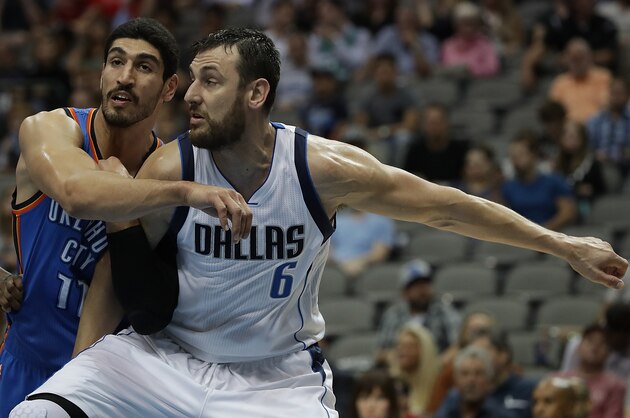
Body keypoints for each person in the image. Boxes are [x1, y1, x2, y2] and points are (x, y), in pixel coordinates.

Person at [12, 27, 627, 418]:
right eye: (191, 80)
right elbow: (112, 280)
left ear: (255, 95)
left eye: (209, 81)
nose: (190, 96)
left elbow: (445, 204)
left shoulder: (321, 168)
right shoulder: (171, 167)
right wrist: (84, 373)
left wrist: (559, 242)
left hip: (272, 380)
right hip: (164, 360)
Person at [0, 18, 251, 417]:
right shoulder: (49, 129)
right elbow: (77, 193)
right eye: (116, 62)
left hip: (114, 385)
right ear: (101, 73)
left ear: (170, 88)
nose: (125, 77)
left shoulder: (170, 167)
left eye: (144, 67)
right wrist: (187, 192)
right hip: (23, 367)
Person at [378, 259, 461, 354]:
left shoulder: (444, 310)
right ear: (405, 292)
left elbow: (457, 345)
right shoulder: (394, 314)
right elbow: (381, 351)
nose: (422, 290)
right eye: (416, 285)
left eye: (425, 284)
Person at [555, 324, 626, 418]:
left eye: (602, 343)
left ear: (608, 352)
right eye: (590, 341)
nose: (595, 347)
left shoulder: (615, 386)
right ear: (578, 347)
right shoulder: (557, 381)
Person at [433, 346, 517, 418]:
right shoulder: (447, 410)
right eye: (465, 374)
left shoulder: (502, 416)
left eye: (478, 374)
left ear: (489, 379)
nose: (471, 380)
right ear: (456, 378)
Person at [389, 322, 442, 418]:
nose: (402, 351)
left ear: (425, 351)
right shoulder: (391, 382)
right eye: (400, 345)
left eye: (409, 347)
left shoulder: (438, 383)